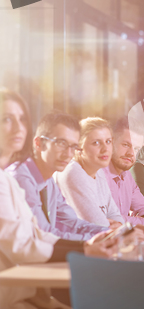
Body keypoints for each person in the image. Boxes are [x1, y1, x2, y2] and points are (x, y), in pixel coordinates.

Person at [0, 88, 118, 309]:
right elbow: (23, 244)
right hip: (14, 292)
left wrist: (102, 237)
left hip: (29, 289)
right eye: (6, 119)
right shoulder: (16, 178)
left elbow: (38, 234)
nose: (18, 128)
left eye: (22, 119)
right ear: (38, 143)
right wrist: (84, 248)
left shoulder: (15, 179)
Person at [7, 111, 109, 241]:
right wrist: (96, 240)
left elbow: (73, 223)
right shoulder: (21, 179)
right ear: (38, 143)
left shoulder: (49, 182)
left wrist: (110, 233)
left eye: (73, 147)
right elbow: (43, 234)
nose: (68, 154)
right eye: (61, 143)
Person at [54, 117, 124, 228]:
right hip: (74, 244)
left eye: (108, 141)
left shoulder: (99, 171)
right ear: (78, 148)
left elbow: (115, 215)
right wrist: (114, 226)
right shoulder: (72, 172)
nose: (105, 149)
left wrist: (118, 225)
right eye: (96, 143)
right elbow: (97, 225)